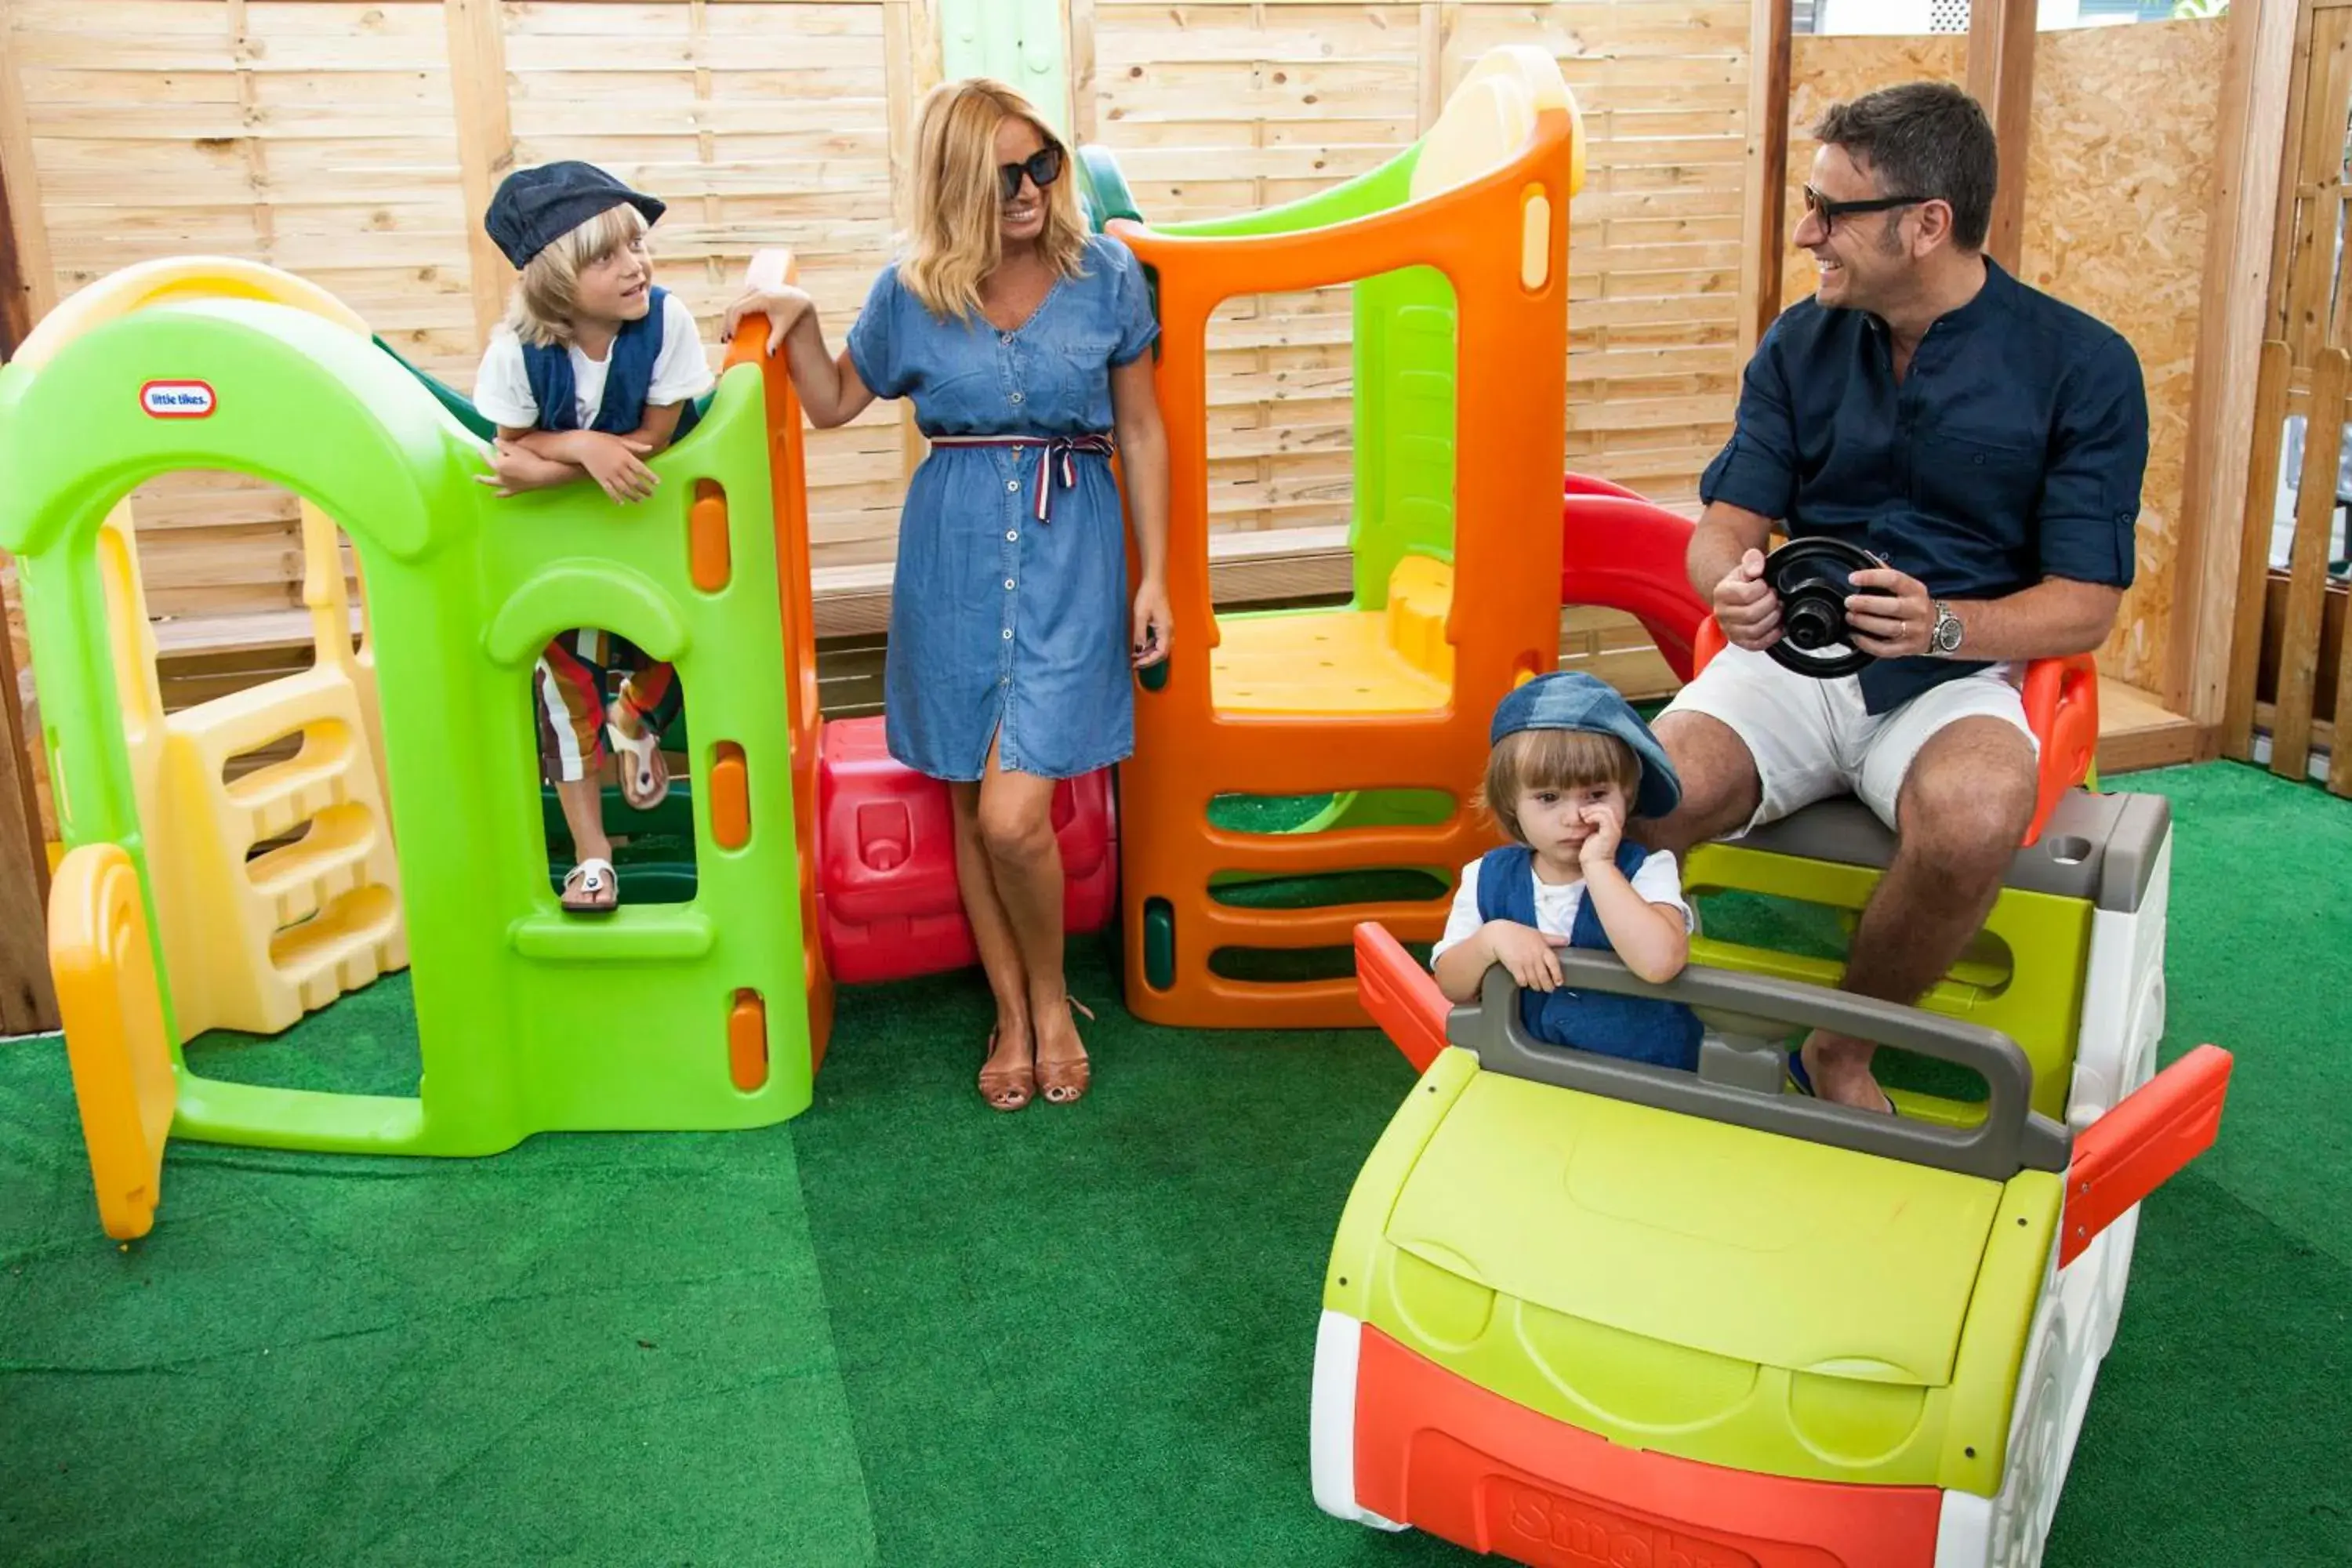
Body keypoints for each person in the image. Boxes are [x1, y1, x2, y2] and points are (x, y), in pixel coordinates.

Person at [1642, 82, 2149, 1112]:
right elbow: (1726, 530)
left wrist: (1948, 626)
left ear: (1927, 225)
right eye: (1809, 204)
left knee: (1971, 822)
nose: (1805, 232)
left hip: (1956, 677)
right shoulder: (1798, 341)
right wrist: (1731, 587)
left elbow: (2085, 606)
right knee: (1639, 792)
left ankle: (1844, 1047)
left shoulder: (2085, 367)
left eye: (1832, 212)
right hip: (1787, 663)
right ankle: (1626, 1014)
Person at [724, 78, 1171, 1111]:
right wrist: (794, 320)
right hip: (954, 559)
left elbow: (1141, 428)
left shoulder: (1104, 274)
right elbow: (835, 400)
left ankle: (1054, 1001)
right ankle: (1011, 1013)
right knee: (976, 807)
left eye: (1041, 164)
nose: (1027, 189)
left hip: (1071, 554)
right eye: (1001, 173)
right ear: (952, 183)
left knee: (1017, 816)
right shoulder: (911, 292)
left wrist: (1156, 575)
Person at [470, 161, 716, 914]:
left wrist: (550, 469)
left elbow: (651, 438)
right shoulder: (518, 347)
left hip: (654, 533)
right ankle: (592, 856)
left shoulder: (665, 323)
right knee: (563, 696)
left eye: (636, 246)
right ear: (554, 282)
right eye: (606, 257)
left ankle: (637, 719)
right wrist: (580, 449)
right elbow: (507, 442)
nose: (634, 266)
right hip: (562, 556)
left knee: (679, 651)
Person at [1432, 672, 1700, 1071]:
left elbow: (1660, 962)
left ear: (1626, 795)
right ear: (1511, 805)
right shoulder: (1485, 877)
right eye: (1548, 798)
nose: (1575, 817)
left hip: (1645, 1079)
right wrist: (1490, 939)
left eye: (1596, 795)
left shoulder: (1646, 870)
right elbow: (1452, 984)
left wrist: (1599, 866)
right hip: (1529, 1074)